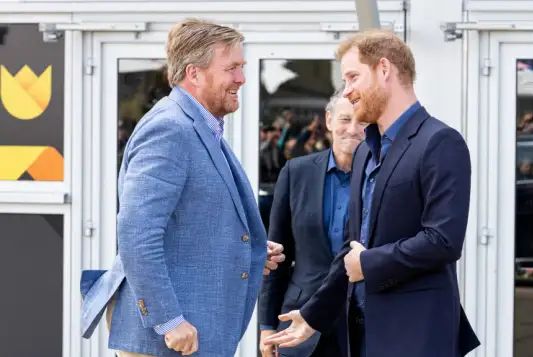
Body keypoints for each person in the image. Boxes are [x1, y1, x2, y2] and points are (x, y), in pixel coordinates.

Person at [263, 29, 481, 357]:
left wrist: (369, 262)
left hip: (415, 334)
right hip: (362, 335)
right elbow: (352, 249)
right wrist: (313, 316)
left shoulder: (440, 142)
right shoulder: (366, 151)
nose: (347, 91)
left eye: (353, 77)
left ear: (384, 70)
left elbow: (443, 240)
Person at [79, 18, 285, 357]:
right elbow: (136, 234)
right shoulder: (170, 129)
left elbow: (188, 226)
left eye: (242, 67)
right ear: (194, 73)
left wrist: (245, 250)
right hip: (169, 340)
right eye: (231, 68)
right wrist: (168, 320)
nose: (242, 78)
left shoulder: (200, 126)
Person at [258, 88, 365, 357]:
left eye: (362, 121)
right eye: (344, 119)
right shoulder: (296, 172)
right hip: (298, 321)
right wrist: (267, 325)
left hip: (361, 323)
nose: (352, 129)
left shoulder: (382, 177)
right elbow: (277, 254)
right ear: (328, 121)